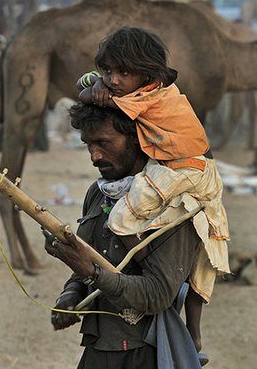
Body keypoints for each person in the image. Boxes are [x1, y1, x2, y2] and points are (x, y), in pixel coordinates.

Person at [76, 26, 230, 354]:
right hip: (100, 344)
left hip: (186, 168)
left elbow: (157, 294)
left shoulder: (146, 98)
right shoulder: (99, 191)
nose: (114, 81)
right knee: (201, 271)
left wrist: (95, 90)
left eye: (123, 72)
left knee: (121, 220)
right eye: (109, 72)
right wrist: (75, 285)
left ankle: (148, 259)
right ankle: (194, 337)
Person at [44, 103, 207, 368]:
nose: (94, 156)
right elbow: (93, 260)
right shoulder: (98, 193)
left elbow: (157, 294)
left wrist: (91, 273)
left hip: (145, 353)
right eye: (88, 144)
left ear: (136, 138)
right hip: (98, 349)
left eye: (104, 143)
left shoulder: (172, 204)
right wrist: (71, 294)